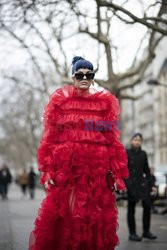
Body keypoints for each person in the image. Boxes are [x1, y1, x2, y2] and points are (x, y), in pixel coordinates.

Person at [28, 56, 129, 250]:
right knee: (69, 213)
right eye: (79, 74)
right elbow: (50, 140)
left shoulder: (104, 105)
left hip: (96, 174)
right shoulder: (61, 104)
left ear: (92, 78)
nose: (84, 77)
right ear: (73, 77)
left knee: (93, 216)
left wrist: (117, 172)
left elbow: (111, 141)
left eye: (88, 74)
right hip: (69, 174)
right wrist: (48, 170)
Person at [124, 133, 157, 241]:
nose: (137, 142)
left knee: (147, 206)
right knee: (131, 209)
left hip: (143, 185)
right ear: (131, 141)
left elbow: (146, 171)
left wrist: (151, 185)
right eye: (135, 140)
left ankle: (146, 231)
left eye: (139, 140)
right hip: (131, 185)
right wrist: (126, 184)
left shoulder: (143, 154)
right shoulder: (126, 153)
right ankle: (132, 233)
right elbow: (123, 170)